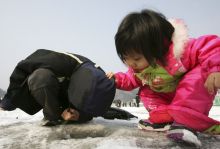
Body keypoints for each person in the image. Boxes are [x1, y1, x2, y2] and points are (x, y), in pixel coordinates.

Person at [106, 9, 220, 144]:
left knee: (196, 76)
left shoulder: (180, 52)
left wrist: (215, 68)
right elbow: (130, 79)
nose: (131, 64)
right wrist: (116, 79)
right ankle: (165, 118)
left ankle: (186, 121)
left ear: (156, 47)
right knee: (147, 91)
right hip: (167, 98)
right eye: (125, 58)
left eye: (136, 58)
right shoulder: (140, 69)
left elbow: (210, 46)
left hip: (189, 96)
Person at [0, 49, 116, 126]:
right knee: (40, 77)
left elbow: (93, 108)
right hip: (53, 98)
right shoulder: (59, 61)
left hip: (72, 107)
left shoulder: (100, 79)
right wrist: (7, 103)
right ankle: (53, 117)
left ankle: (71, 115)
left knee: (84, 113)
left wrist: (80, 116)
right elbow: (22, 69)